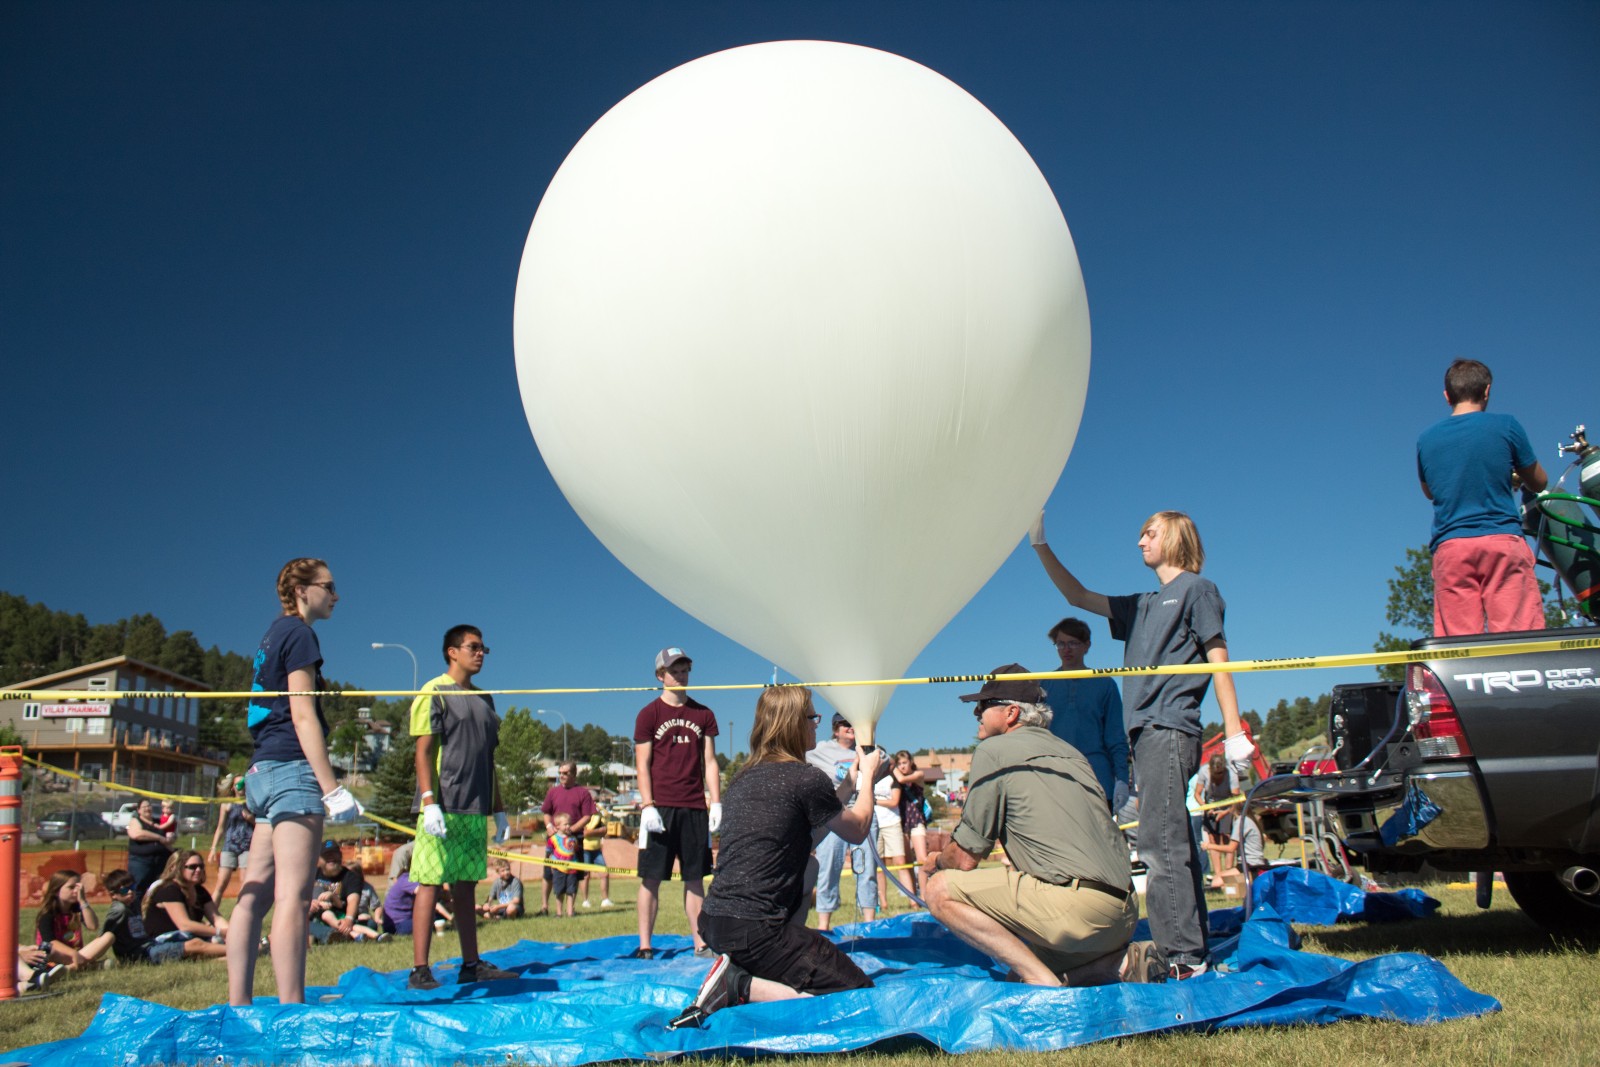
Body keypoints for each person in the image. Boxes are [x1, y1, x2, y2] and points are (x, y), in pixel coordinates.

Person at [1032, 510, 1254, 979]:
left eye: (1148, 533)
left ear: (1175, 536)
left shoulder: (1198, 590)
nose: (1139, 542)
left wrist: (1234, 731)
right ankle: (1193, 947)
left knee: (1161, 842)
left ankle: (1183, 959)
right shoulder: (1142, 604)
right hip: (1147, 734)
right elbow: (1076, 595)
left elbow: (1219, 659)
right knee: (1170, 840)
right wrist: (1039, 544)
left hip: (1170, 727)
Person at [922, 668, 1165, 987]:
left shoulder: (994, 752)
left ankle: (1043, 983)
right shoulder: (1073, 754)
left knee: (940, 890)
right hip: (1123, 913)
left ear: (1011, 713)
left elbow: (966, 858)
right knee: (1015, 978)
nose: (976, 713)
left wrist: (936, 863)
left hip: (1075, 910)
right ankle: (1117, 965)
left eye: (984, 705)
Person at [668, 686, 884, 1030]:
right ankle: (738, 985)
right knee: (855, 997)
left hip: (715, 922)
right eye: (811, 717)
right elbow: (857, 829)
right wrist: (870, 776)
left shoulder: (743, 778)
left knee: (809, 862)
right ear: (793, 724)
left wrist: (850, 784)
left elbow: (808, 833)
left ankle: (749, 969)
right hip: (756, 930)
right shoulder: (806, 777)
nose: (816, 724)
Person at [227, 557, 358, 1007]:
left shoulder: (272, 634)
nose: (336, 595)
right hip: (290, 770)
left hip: (261, 772)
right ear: (303, 590)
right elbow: (303, 715)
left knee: (253, 895)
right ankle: (291, 1008)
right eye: (329, 586)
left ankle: (238, 1005)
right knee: (293, 897)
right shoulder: (300, 633)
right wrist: (331, 788)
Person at [408, 624, 516, 989]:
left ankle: (471, 964)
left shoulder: (485, 699)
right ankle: (419, 970)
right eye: (473, 647)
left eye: (484, 647)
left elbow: (490, 759)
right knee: (429, 882)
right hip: (441, 805)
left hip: (475, 808)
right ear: (452, 652)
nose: (481, 653)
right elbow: (422, 751)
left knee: (467, 885)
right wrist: (428, 801)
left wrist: (499, 809)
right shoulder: (433, 691)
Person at [1417, 358, 1548, 636]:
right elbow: (1539, 482)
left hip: (1452, 548)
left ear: (1447, 396)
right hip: (1502, 540)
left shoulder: (1426, 439)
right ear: (1487, 391)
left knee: (1460, 648)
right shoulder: (1507, 426)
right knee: (1519, 640)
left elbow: (1429, 491)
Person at [632, 647, 721, 959]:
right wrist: (647, 805)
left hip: (694, 806)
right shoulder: (648, 714)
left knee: (695, 878)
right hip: (661, 807)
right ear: (660, 676)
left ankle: (701, 943)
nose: (680, 676)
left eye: (684, 670)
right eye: (674, 671)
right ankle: (645, 945)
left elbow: (710, 761)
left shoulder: (704, 714)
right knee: (651, 877)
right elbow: (642, 763)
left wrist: (716, 802)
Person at [1039, 618, 1129, 812]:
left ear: (1086, 645)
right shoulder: (1043, 685)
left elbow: (1116, 737)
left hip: (1096, 778)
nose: (1066, 649)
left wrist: (1122, 778)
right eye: (1061, 644)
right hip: (1055, 778)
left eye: (1073, 643)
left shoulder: (1105, 685)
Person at [805, 713, 878, 930]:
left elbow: (887, 764)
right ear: (836, 729)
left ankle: (869, 925)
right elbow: (798, 757)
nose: (850, 728)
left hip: (863, 811)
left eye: (854, 724)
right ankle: (823, 926)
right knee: (828, 867)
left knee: (868, 869)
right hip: (834, 813)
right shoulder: (821, 749)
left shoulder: (868, 748)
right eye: (845, 724)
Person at [102, 868, 226, 964]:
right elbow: (104, 937)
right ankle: (239, 951)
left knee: (193, 953)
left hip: (150, 946)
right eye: (124, 890)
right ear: (113, 895)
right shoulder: (118, 910)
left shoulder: (133, 904)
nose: (130, 892)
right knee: (195, 944)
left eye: (132, 887)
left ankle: (232, 956)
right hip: (142, 954)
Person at [539, 761, 598, 915]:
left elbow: (587, 816)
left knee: (574, 876)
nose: (561, 776)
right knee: (548, 874)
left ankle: (570, 909)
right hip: (554, 840)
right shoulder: (552, 792)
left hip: (574, 840)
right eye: (560, 773)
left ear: (573, 774)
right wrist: (549, 827)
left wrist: (571, 830)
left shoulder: (583, 793)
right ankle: (544, 907)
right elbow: (546, 813)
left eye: (565, 773)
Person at [146, 849, 230, 952]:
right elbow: (185, 925)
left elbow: (217, 919)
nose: (198, 870)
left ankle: (234, 952)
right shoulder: (169, 889)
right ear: (179, 869)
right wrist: (220, 932)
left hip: (189, 937)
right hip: (163, 941)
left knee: (218, 941)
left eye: (201, 866)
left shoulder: (200, 890)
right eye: (192, 867)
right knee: (198, 943)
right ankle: (241, 951)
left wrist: (231, 932)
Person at [34, 870, 113, 971]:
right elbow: (50, 942)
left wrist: (83, 901)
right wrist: (73, 954)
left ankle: (77, 967)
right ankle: (87, 966)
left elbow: (93, 926)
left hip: (78, 955)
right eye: (71, 887)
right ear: (56, 890)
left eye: (78, 887)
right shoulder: (47, 914)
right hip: (55, 956)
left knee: (109, 936)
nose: (76, 891)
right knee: (51, 950)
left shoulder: (76, 909)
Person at [310, 841, 383, 942]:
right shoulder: (311, 874)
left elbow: (353, 900)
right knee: (303, 923)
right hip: (316, 918)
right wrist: (309, 903)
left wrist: (348, 919)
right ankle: (331, 934)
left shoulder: (351, 876)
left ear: (340, 855)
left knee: (371, 924)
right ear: (319, 858)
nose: (331, 857)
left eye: (334, 853)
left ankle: (335, 935)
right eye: (326, 855)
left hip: (342, 918)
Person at [1195, 752, 1240, 888]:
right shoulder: (1204, 772)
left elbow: (1236, 799)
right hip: (1211, 805)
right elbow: (1197, 794)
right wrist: (1206, 808)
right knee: (1213, 840)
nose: (1218, 777)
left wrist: (1226, 812)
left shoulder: (1231, 774)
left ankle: (1228, 873)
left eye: (1221, 774)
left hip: (1227, 806)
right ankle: (1218, 875)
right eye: (1216, 774)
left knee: (1226, 838)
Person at [207, 775, 255, 901]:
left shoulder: (252, 802)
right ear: (233, 788)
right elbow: (220, 827)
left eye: (242, 784)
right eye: (237, 784)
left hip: (247, 845)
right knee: (221, 883)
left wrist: (251, 819)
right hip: (230, 845)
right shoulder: (227, 804)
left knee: (245, 883)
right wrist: (213, 848)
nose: (240, 787)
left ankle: (240, 917)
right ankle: (212, 915)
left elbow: (260, 824)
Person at [892, 750, 931, 900]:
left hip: (916, 820)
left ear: (910, 762)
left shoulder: (918, 775)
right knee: (907, 861)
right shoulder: (894, 778)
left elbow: (902, 779)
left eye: (904, 763)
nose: (901, 766)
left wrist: (890, 766)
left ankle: (924, 893)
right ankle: (912, 895)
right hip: (901, 821)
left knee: (921, 859)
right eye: (899, 763)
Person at [872, 766, 907, 910]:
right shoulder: (869, 778)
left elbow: (894, 801)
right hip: (875, 823)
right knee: (879, 864)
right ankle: (883, 901)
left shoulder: (892, 778)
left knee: (900, 861)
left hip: (892, 822)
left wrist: (875, 801)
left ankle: (911, 899)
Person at [126, 798, 172, 902]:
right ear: (138, 810)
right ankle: (136, 915)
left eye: (149, 806)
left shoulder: (158, 822)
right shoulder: (135, 821)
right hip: (141, 862)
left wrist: (171, 837)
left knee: (158, 889)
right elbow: (136, 834)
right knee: (138, 889)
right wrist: (159, 837)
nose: (147, 808)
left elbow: (170, 835)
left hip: (160, 863)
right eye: (144, 806)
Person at [545, 813, 579, 918]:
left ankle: (570, 912)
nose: (568, 826)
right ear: (558, 826)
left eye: (569, 824)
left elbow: (575, 850)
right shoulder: (553, 839)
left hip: (572, 869)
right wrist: (551, 865)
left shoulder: (573, 839)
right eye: (565, 824)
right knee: (559, 891)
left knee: (571, 891)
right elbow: (549, 852)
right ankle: (559, 912)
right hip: (558, 869)